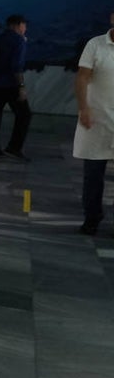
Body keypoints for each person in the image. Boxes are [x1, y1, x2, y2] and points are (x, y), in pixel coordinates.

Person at [74, 12, 114, 235]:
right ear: (112, 19)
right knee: (93, 174)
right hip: (96, 118)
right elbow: (82, 76)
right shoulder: (96, 45)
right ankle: (92, 217)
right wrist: (84, 108)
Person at [0, 14, 31, 161]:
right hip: (11, 85)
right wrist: (21, 87)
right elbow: (16, 66)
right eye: (24, 25)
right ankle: (14, 147)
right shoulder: (19, 41)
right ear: (18, 25)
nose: (25, 29)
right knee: (24, 114)